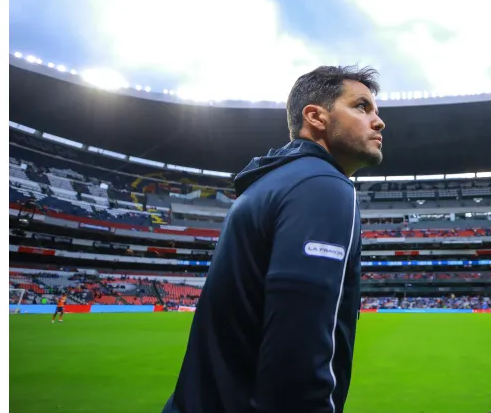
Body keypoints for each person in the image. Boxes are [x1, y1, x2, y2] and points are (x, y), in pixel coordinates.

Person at [163, 65, 386, 413]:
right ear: (315, 116)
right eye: (361, 106)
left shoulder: (270, 183)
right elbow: (297, 351)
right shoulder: (323, 186)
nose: (378, 120)